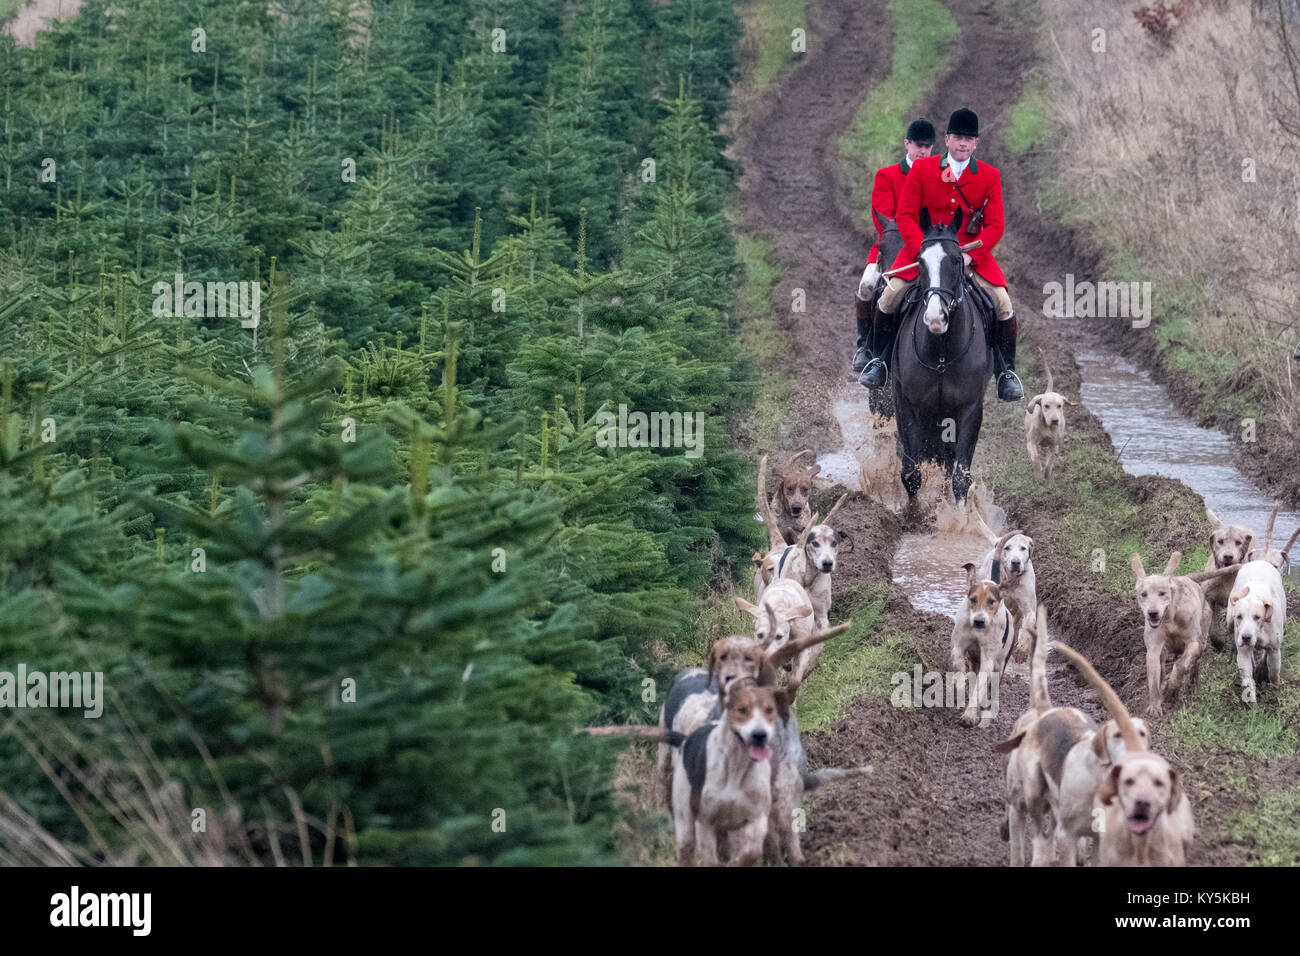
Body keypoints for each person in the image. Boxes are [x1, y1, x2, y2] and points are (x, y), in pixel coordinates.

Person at [867, 108, 1023, 401]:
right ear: (947, 140)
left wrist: (971, 257)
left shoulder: (990, 176)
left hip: (969, 254)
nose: (963, 144)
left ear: (975, 143)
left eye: (969, 139)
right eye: (958, 138)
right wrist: (922, 252)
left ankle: (1006, 373)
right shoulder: (923, 170)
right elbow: (905, 214)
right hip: (926, 253)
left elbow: (995, 225)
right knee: (888, 298)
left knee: (1003, 304)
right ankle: (880, 363)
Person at [853, 119, 935, 378]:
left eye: (927, 146)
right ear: (907, 144)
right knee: (867, 285)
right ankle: (865, 346)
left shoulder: (939, 176)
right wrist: (909, 236)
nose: (923, 151)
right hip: (891, 246)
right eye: (918, 146)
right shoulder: (887, 175)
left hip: (928, 248)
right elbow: (882, 216)